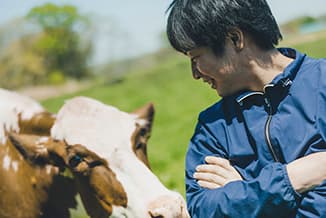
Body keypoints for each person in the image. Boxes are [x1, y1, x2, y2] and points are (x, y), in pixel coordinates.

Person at [166, 0, 326, 217]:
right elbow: (204, 208)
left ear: (235, 39)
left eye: (196, 58)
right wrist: (293, 178)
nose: (195, 74)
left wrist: (244, 191)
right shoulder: (212, 128)